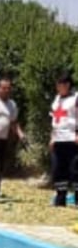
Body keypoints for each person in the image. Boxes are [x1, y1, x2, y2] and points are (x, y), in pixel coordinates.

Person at [49, 72, 78, 206]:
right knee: (58, 169)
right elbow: (55, 120)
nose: (58, 87)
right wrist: (52, 137)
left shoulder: (75, 98)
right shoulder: (56, 99)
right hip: (58, 139)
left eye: (60, 85)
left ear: (67, 85)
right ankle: (60, 198)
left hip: (72, 138)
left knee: (74, 169)